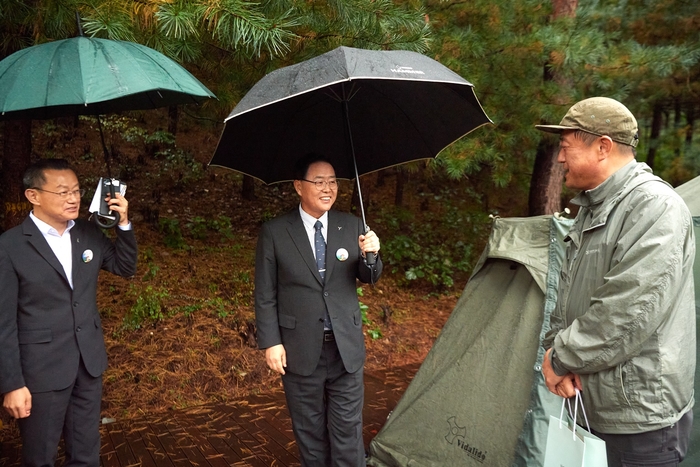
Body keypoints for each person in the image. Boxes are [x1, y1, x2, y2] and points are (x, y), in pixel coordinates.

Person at [538, 97, 695, 466]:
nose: (560, 159)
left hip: (638, 421)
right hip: (593, 402)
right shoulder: (596, 205)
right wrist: (557, 357)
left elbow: (626, 313)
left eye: (566, 148)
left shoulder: (655, 207)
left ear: (603, 146)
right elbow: (568, 297)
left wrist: (559, 358)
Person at [0, 158, 137, 466]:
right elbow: (3, 323)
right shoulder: (9, 247)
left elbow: (125, 267)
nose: (73, 198)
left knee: (87, 455)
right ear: (33, 196)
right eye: (62, 192)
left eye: (76, 190)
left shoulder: (87, 233)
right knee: (40, 458)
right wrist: (11, 383)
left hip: (88, 365)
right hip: (39, 372)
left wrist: (123, 223)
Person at [255, 153, 382, 467]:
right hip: (300, 350)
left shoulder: (352, 225)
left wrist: (373, 256)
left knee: (348, 433)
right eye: (319, 181)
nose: (328, 188)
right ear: (299, 186)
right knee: (310, 435)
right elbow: (265, 293)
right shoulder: (275, 232)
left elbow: (369, 277)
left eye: (333, 181)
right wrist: (271, 342)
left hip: (344, 350)